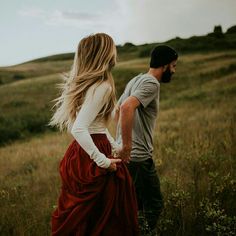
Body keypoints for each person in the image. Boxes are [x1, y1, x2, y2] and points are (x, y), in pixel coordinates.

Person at [49, 33, 139, 236]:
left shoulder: (88, 85)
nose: (115, 51)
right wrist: (102, 161)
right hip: (93, 154)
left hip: (81, 151)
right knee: (107, 218)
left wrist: (114, 146)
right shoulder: (102, 87)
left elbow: (95, 126)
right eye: (112, 47)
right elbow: (79, 128)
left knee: (89, 217)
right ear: (104, 53)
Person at [116, 45, 178, 235]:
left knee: (134, 207)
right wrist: (127, 146)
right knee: (154, 205)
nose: (174, 71)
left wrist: (119, 144)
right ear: (165, 65)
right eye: (174, 66)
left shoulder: (135, 80)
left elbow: (117, 110)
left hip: (128, 158)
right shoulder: (152, 83)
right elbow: (126, 108)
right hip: (138, 159)